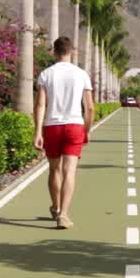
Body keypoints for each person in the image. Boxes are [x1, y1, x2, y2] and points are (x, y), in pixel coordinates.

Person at [33, 36, 94, 230]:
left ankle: (56, 207)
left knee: (54, 170)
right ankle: (64, 215)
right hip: (75, 125)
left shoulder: (46, 74)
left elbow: (40, 104)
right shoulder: (81, 74)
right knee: (70, 171)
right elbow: (90, 108)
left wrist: (37, 132)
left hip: (52, 126)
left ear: (54, 52)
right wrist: (87, 130)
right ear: (72, 52)